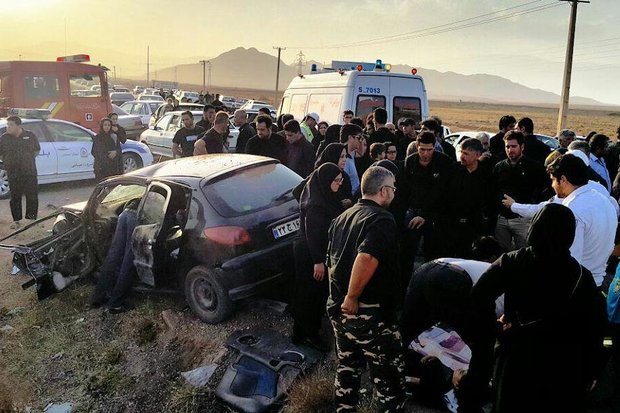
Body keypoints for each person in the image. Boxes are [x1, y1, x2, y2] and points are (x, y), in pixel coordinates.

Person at [458, 204, 607, 413]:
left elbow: (478, 297)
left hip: (516, 355)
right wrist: (592, 371)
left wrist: (495, 329)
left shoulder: (513, 261)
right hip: (561, 362)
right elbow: (595, 327)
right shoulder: (581, 276)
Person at [326, 166, 405, 413]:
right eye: (393, 188)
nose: (394, 192)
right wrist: (352, 296)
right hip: (369, 312)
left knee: (348, 368)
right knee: (388, 376)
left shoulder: (342, 217)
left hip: (340, 311)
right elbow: (366, 257)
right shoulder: (381, 219)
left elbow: (332, 260)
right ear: (383, 191)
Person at [504, 154, 617, 287]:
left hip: (576, 287)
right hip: (596, 282)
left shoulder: (573, 210)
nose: (552, 185)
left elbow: (571, 260)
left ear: (563, 180)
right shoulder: (603, 200)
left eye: (553, 180)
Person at [291, 163, 344, 351]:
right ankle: (308, 334)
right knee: (309, 295)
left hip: (315, 252)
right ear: (325, 181)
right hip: (309, 255)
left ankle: (308, 329)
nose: (339, 184)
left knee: (314, 293)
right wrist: (318, 262)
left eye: (340, 180)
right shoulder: (315, 205)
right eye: (336, 181)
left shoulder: (324, 195)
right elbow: (312, 234)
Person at [402, 131, 454, 280]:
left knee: (433, 252)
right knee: (407, 251)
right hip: (413, 211)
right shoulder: (410, 162)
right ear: (417, 146)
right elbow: (407, 190)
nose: (426, 153)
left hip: (435, 213)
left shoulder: (443, 162)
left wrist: (425, 215)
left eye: (429, 150)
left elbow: (441, 193)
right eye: (422, 149)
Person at [493, 131, 549, 252]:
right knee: (501, 255)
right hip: (502, 219)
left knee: (525, 255)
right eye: (507, 146)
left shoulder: (534, 167)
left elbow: (544, 191)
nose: (510, 150)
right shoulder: (499, 167)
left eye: (513, 146)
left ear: (522, 147)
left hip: (523, 220)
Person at [444, 138, 496, 257]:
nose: (462, 156)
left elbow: (490, 201)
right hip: (453, 225)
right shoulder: (453, 170)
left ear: (478, 155)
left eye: (466, 153)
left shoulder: (486, 175)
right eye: (461, 152)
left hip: (475, 226)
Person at [89, 198, 140, 312]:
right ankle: (116, 303)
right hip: (137, 217)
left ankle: (97, 298)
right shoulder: (179, 190)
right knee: (129, 260)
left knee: (113, 255)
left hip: (125, 212)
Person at [0, 115, 41, 227]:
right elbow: (1, 154)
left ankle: (31, 220)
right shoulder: (4, 138)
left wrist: (26, 161)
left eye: (11, 125)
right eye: (7, 125)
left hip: (29, 172)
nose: (8, 127)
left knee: (32, 196)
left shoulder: (30, 135)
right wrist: (10, 162)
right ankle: (16, 221)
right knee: (15, 197)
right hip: (13, 173)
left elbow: (36, 150)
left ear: (18, 125)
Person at [315, 143, 354, 208]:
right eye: (341, 157)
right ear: (333, 156)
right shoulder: (319, 176)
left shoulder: (344, 176)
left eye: (345, 156)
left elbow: (349, 196)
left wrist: (350, 202)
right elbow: (298, 191)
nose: (345, 160)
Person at [92, 118, 123, 182]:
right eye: (105, 125)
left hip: (113, 167)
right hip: (101, 168)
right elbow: (94, 152)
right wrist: (106, 156)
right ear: (102, 126)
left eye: (109, 125)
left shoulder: (114, 136)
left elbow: (119, 149)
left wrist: (116, 152)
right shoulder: (98, 138)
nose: (107, 127)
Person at [340, 124, 363, 196]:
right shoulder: (342, 158)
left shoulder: (352, 154)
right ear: (350, 137)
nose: (360, 141)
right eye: (359, 138)